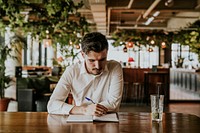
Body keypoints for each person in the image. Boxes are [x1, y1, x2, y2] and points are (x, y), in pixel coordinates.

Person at [47, 32, 123, 116]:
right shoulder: (72, 71)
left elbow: (114, 104)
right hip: (80, 119)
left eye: (102, 60)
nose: (97, 66)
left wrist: (90, 109)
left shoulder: (115, 67)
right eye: (92, 60)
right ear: (83, 55)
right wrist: (84, 110)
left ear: (107, 53)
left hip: (108, 120)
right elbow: (52, 105)